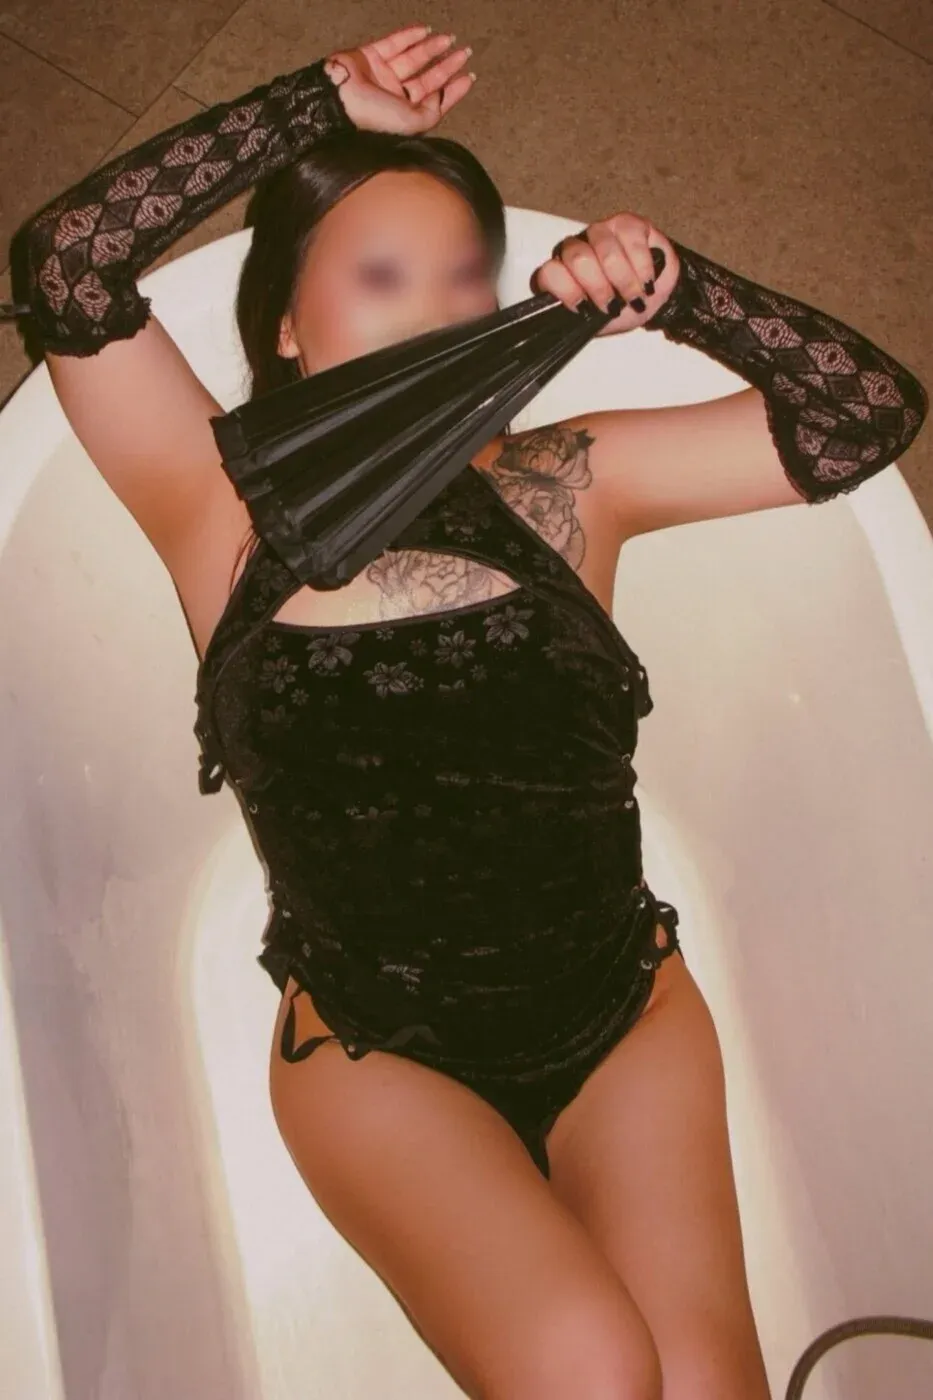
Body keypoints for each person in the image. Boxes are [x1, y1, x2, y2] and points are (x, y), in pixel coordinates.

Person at [7, 22, 927, 1400]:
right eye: (382, 276)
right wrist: (322, 103)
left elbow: (862, 418)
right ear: (288, 328)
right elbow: (68, 269)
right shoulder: (219, 505)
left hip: (622, 1015)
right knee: (592, 1370)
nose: (438, 310)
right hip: (381, 1052)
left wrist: (678, 293)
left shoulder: (571, 479)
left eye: (465, 280)